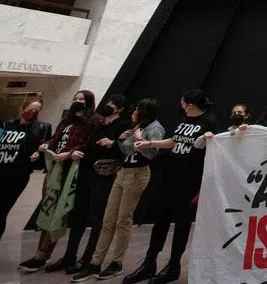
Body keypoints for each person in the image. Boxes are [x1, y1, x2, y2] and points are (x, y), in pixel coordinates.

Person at [123, 89, 219, 284]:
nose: (181, 105)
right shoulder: (184, 121)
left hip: (190, 178)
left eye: (183, 102)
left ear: (189, 104)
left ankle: (174, 265)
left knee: (182, 223)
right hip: (171, 175)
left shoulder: (208, 122)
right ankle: (149, 263)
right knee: (161, 219)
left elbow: (213, 146)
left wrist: (210, 138)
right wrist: (149, 143)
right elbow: (174, 142)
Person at [79, 98, 163, 281]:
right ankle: (95, 262)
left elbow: (151, 152)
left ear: (144, 111)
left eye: (136, 109)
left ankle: (117, 262)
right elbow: (125, 149)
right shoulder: (136, 126)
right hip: (123, 172)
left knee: (123, 220)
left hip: (137, 174)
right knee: (108, 219)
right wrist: (123, 140)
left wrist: (139, 141)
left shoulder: (154, 128)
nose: (133, 113)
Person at [20, 90, 98, 273]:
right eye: (76, 98)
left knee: (58, 212)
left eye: (82, 99)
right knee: (48, 207)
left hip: (71, 171)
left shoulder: (93, 121)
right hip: (55, 167)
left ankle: (43, 254)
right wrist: (46, 145)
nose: (77, 102)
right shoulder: (67, 120)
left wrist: (70, 154)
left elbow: (88, 143)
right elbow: (56, 138)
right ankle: (41, 252)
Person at [52, 95, 127, 276]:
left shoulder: (123, 126)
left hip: (104, 175)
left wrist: (113, 143)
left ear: (120, 108)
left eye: (112, 104)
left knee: (97, 218)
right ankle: (70, 255)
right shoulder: (100, 124)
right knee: (78, 215)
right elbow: (89, 143)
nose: (108, 106)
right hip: (87, 172)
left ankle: (88, 259)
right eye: (107, 103)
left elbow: (124, 148)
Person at [0, 99, 52, 239]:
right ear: (23, 108)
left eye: (37, 111)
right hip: (2, 167)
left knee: (2, 209)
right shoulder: (7, 125)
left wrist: (38, 153)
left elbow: (44, 147)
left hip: (17, 174)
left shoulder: (41, 127)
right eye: (31, 109)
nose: (33, 113)